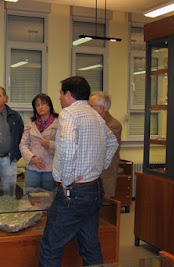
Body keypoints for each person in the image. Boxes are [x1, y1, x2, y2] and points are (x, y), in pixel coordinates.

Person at [39, 76, 119, 266]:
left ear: (68, 94)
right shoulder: (95, 115)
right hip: (94, 189)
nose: (58, 98)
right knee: (90, 245)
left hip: (74, 192)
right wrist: (99, 167)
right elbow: (112, 142)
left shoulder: (69, 114)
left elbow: (66, 149)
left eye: (60, 93)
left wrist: (67, 184)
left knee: (50, 246)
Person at [20, 93, 59, 191]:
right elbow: (23, 144)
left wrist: (50, 144)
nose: (40, 107)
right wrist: (32, 158)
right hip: (33, 168)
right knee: (31, 198)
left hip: (50, 167)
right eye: (37, 105)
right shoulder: (31, 123)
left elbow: (66, 145)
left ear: (49, 105)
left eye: (43, 104)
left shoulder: (59, 122)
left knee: (49, 197)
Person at [89, 92, 122, 197]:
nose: (87, 109)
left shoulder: (114, 125)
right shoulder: (91, 122)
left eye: (90, 106)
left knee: (105, 207)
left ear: (100, 109)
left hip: (105, 173)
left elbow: (100, 146)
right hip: (90, 174)